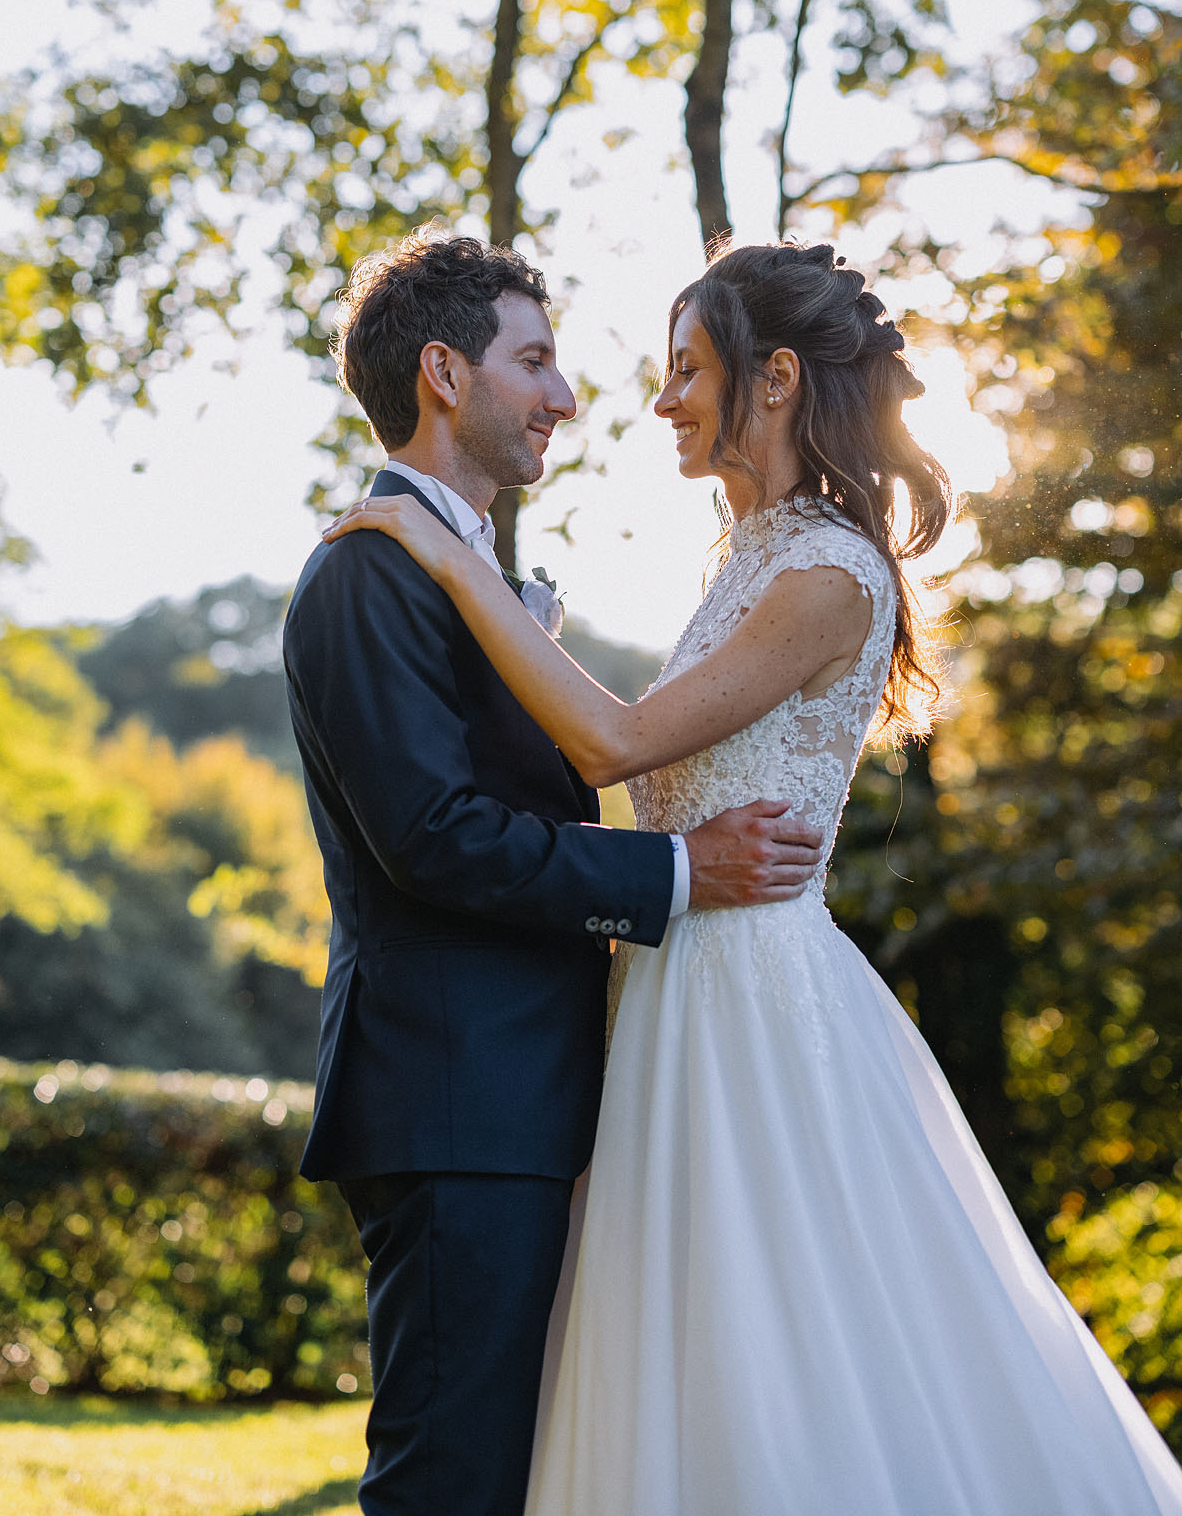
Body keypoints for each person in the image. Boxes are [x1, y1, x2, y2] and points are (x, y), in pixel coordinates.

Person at [325, 239, 1182, 1516]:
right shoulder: (740, 556)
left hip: (750, 995)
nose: (657, 398)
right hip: (661, 997)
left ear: (776, 378)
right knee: (663, 1351)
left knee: (777, 1341)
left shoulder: (828, 573)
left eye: (686, 369)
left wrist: (460, 565)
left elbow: (619, 742)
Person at [282, 232, 823, 1516]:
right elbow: (434, 837)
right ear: (442, 373)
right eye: (534, 359)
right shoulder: (367, 573)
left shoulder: (463, 580)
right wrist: (676, 871)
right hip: (455, 1092)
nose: (567, 397)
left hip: (530, 1091)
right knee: (451, 1476)